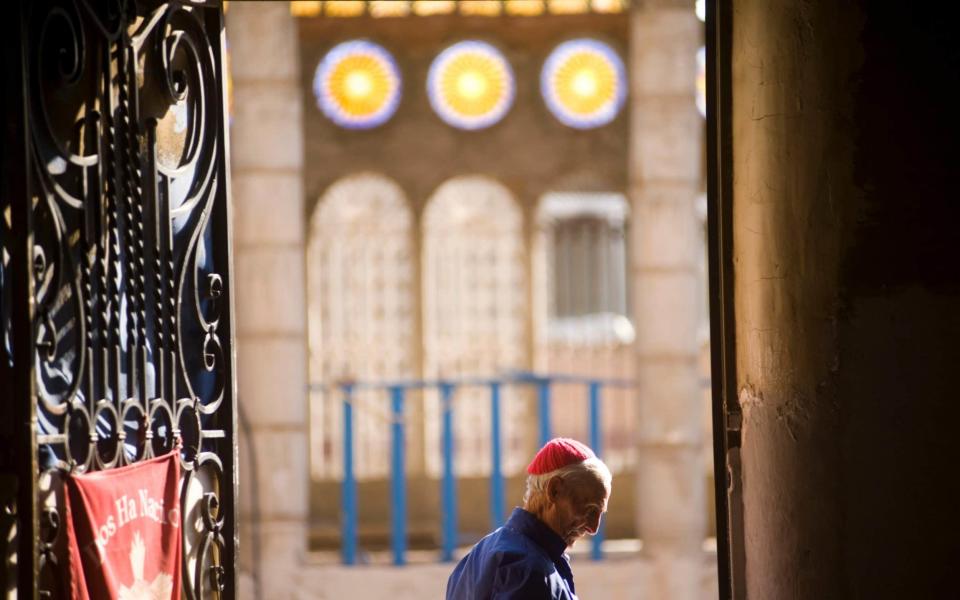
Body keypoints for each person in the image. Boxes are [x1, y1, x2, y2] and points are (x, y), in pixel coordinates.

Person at [446, 437, 612, 599]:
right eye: (590, 510)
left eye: (599, 514)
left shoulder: (479, 554)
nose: (593, 528)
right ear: (555, 490)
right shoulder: (530, 572)